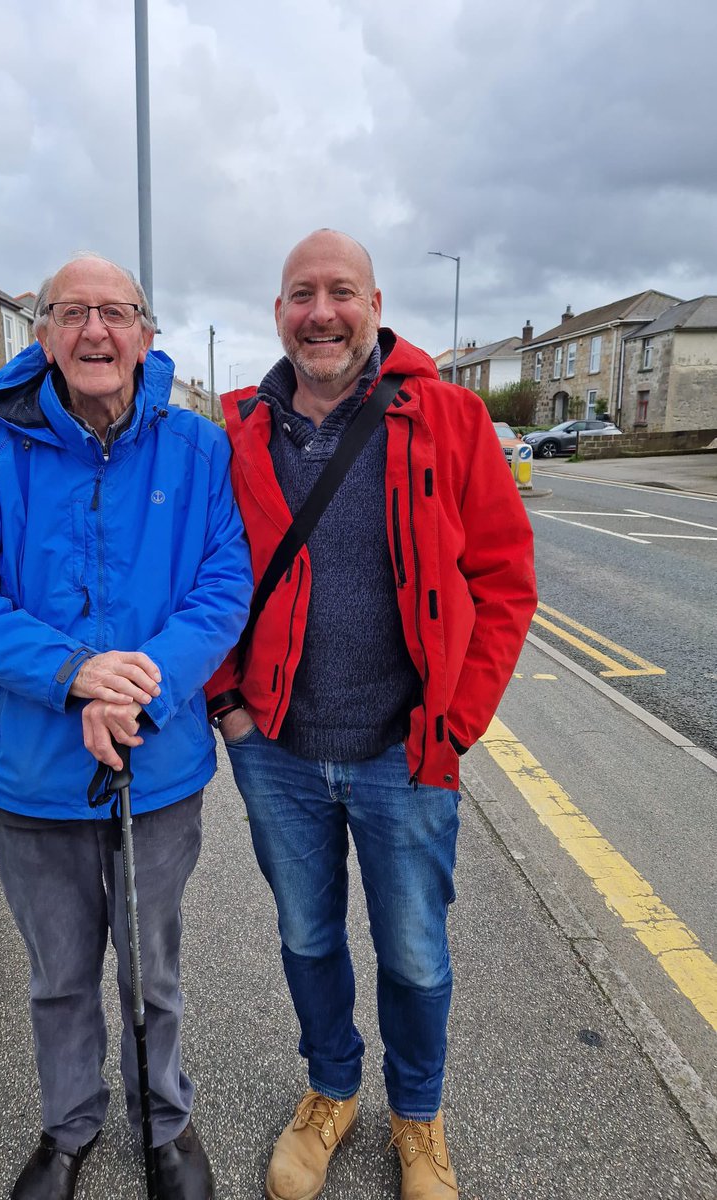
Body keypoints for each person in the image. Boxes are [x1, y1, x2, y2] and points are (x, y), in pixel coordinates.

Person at [206, 229, 536, 1200]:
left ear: (375, 305)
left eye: (340, 291)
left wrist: (457, 721)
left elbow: (505, 581)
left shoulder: (452, 419)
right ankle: (331, 1089)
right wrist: (226, 703)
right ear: (279, 314)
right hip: (276, 750)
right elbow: (210, 577)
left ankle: (419, 1119)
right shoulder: (240, 436)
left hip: (407, 752)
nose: (321, 310)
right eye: (301, 293)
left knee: (415, 951)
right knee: (307, 936)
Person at [0, 253, 252, 1200]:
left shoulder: (196, 449)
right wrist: (73, 676)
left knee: (154, 974)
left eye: (115, 312)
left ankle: (166, 1124)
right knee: (59, 975)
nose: (95, 331)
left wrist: (138, 690)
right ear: (44, 334)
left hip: (158, 764)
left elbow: (223, 584)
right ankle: (69, 1128)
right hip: (31, 773)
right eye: (72, 313)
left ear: (147, 332)